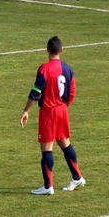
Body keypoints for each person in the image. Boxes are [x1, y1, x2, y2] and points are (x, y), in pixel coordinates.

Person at [20, 36, 85, 195]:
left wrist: (26, 110)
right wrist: (63, 106)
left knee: (46, 148)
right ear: (61, 50)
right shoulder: (68, 69)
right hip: (62, 110)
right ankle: (77, 177)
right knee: (65, 143)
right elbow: (72, 92)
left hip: (49, 112)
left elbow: (36, 92)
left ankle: (48, 186)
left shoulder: (44, 68)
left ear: (47, 49)